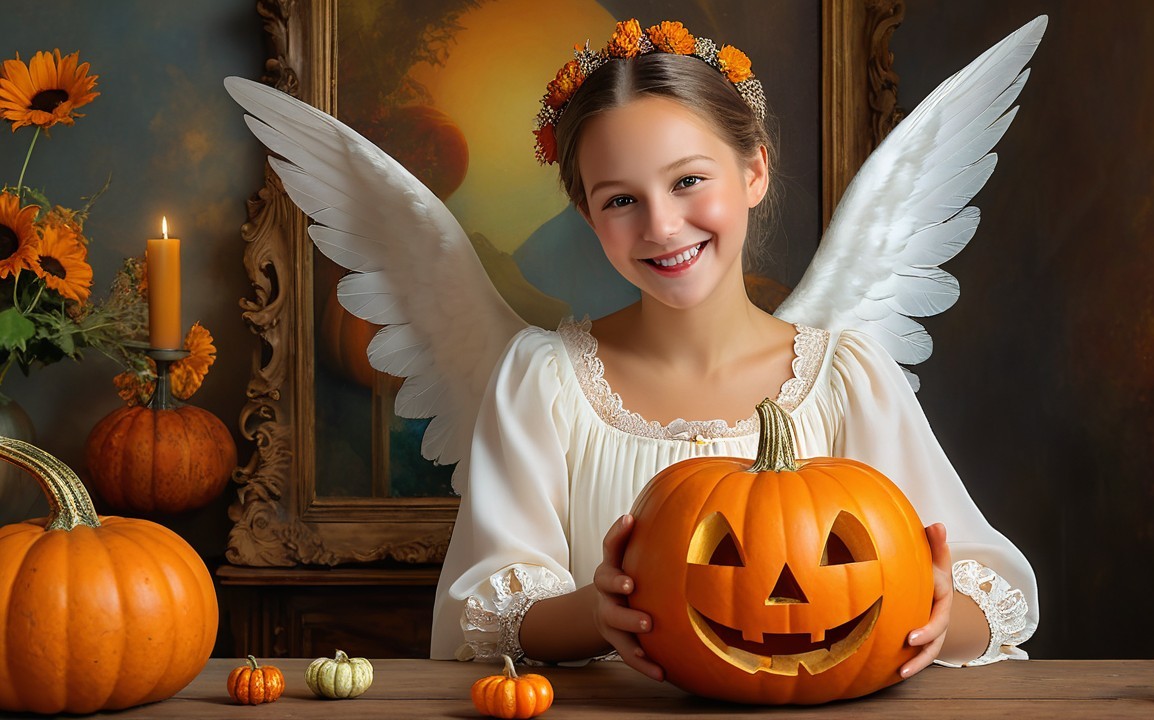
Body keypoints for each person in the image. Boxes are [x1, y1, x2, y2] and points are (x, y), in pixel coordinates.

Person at [224, 13, 1043, 685]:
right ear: (587, 216)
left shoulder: (846, 378)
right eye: (621, 199)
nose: (661, 226)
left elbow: (989, 588)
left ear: (753, 170)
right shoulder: (543, 381)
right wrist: (597, 614)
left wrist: (933, 610)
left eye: (689, 181)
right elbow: (485, 612)